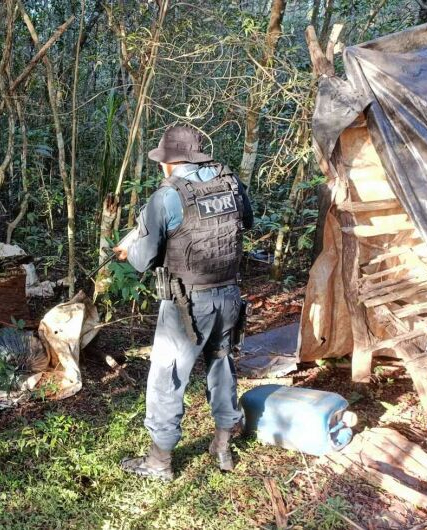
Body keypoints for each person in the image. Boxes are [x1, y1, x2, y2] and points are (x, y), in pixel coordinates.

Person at [114, 125, 254, 481]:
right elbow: (246, 222)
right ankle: (222, 444)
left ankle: (159, 462)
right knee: (221, 364)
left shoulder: (167, 196)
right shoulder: (230, 183)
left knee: (167, 377)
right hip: (230, 296)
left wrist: (127, 250)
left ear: (169, 162)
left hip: (187, 304)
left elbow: (144, 259)